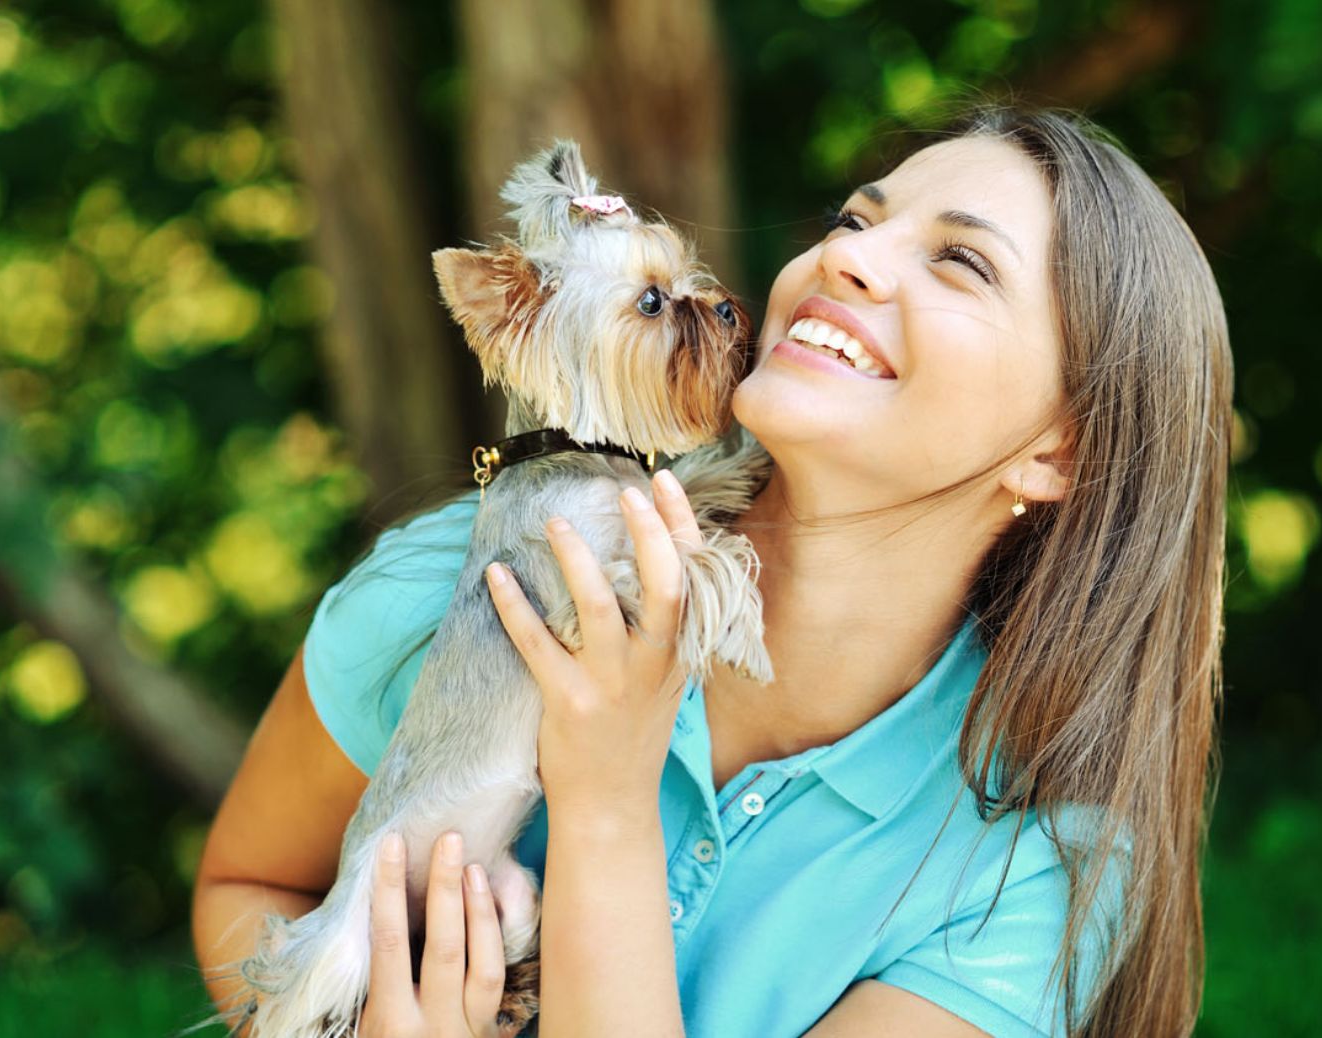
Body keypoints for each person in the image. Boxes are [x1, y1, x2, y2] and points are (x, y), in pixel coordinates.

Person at [192, 101, 1232, 1038]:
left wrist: (604, 796)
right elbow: (250, 882)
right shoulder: (453, 590)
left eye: (961, 263)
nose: (846, 259)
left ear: (1060, 450)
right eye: (855, 223)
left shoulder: (1030, 864)